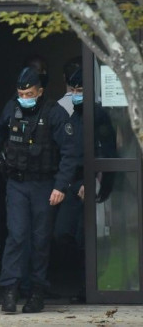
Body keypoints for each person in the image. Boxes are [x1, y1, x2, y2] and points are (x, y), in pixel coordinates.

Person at [0, 67, 79, 314]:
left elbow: (69, 153)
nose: (24, 97)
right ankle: (10, 291)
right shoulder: (11, 108)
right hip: (17, 184)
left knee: (40, 239)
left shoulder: (54, 113)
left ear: (40, 91)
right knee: (16, 235)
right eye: (21, 93)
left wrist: (60, 186)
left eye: (29, 93)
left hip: (45, 185)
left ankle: (36, 292)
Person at [54, 57, 116, 304]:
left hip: (92, 180)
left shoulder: (98, 113)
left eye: (79, 90)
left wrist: (96, 182)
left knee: (90, 236)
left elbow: (107, 149)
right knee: (63, 234)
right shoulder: (61, 109)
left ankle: (89, 286)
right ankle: (84, 281)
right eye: (71, 89)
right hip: (69, 180)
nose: (75, 94)